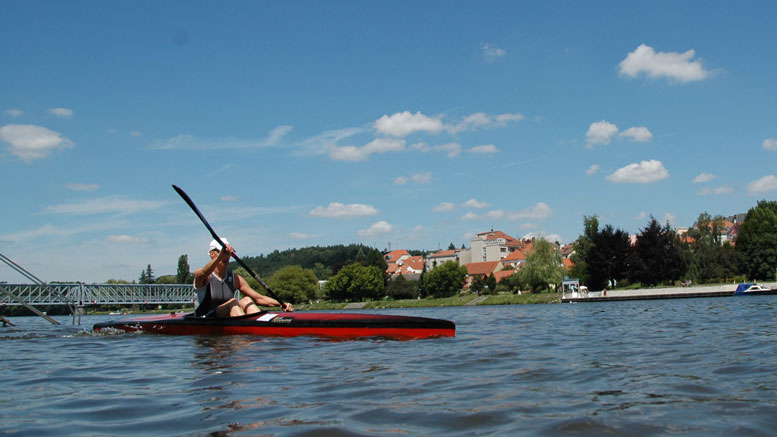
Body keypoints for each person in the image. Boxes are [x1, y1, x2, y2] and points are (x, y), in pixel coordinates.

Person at [193, 238, 293, 317]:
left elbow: (258, 298)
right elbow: (203, 273)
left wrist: (281, 304)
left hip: (225, 319)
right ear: (212, 254)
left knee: (247, 300)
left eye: (228, 253)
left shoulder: (235, 278)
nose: (227, 256)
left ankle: (258, 336)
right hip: (205, 318)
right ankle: (246, 334)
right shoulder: (201, 275)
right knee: (233, 303)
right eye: (222, 252)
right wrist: (219, 257)